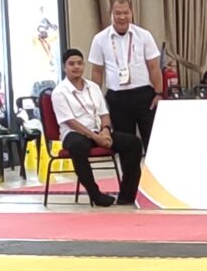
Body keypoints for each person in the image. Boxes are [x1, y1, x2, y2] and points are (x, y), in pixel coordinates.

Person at [50, 48, 143, 207]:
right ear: (64, 67)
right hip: (74, 133)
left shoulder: (93, 87)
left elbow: (104, 113)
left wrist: (105, 131)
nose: (76, 67)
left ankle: (128, 194)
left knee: (133, 142)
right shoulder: (59, 92)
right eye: (71, 64)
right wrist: (96, 138)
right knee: (78, 146)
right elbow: (70, 121)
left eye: (79, 63)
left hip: (98, 130)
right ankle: (95, 194)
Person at [88, 0, 163, 151]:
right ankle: (129, 168)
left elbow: (154, 67)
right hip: (117, 98)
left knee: (153, 143)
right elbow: (97, 71)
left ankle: (151, 168)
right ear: (111, 14)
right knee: (126, 145)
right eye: (117, 13)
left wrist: (159, 93)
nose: (122, 17)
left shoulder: (144, 35)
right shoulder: (100, 39)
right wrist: (97, 100)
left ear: (131, 13)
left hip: (144, 96)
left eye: (125, 13)